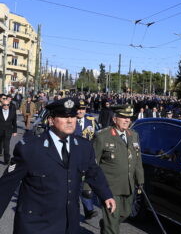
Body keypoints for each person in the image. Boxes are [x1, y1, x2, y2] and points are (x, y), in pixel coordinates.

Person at [0, 98, 115, 234]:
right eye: (64, 116)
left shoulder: (83, 147)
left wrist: (106, 194)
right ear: (51, 120)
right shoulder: (30, 148)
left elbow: (93, 171)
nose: (70, 120)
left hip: (69, 224)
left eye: (73, 116)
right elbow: (6, 187)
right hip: (36, 225)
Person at [91, 104, 144, 234]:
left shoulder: (134, 135)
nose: (127, 120)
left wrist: (140, 181)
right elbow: (92, 163)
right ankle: (109, 226)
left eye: (129, 118)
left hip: (128, 185)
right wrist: (87, 187)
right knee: (113, 225)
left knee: (124, 214)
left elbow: (137, 160)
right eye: (123, 117)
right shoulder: (103, 136)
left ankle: (107, 223)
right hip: (110, 187)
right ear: (115, 119)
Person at [75, 100, 99, 219]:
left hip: (88, 157)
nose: (80, 111)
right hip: (73, 157)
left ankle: (88, 209)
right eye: (78, 109)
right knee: (77, 184)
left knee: (86, 184)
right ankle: (87, 209)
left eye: (83, 109)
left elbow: (98, 136)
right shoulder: (70, 120)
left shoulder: (91, 121)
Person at [0, 94, 18, 164]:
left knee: (6, 145)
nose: (6, 106)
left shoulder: (12, 112)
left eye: (7, 105)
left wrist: (15, 131)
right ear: (2, 105)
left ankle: (6, 159)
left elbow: (14, 122)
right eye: (4, 105)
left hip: (8, 131)